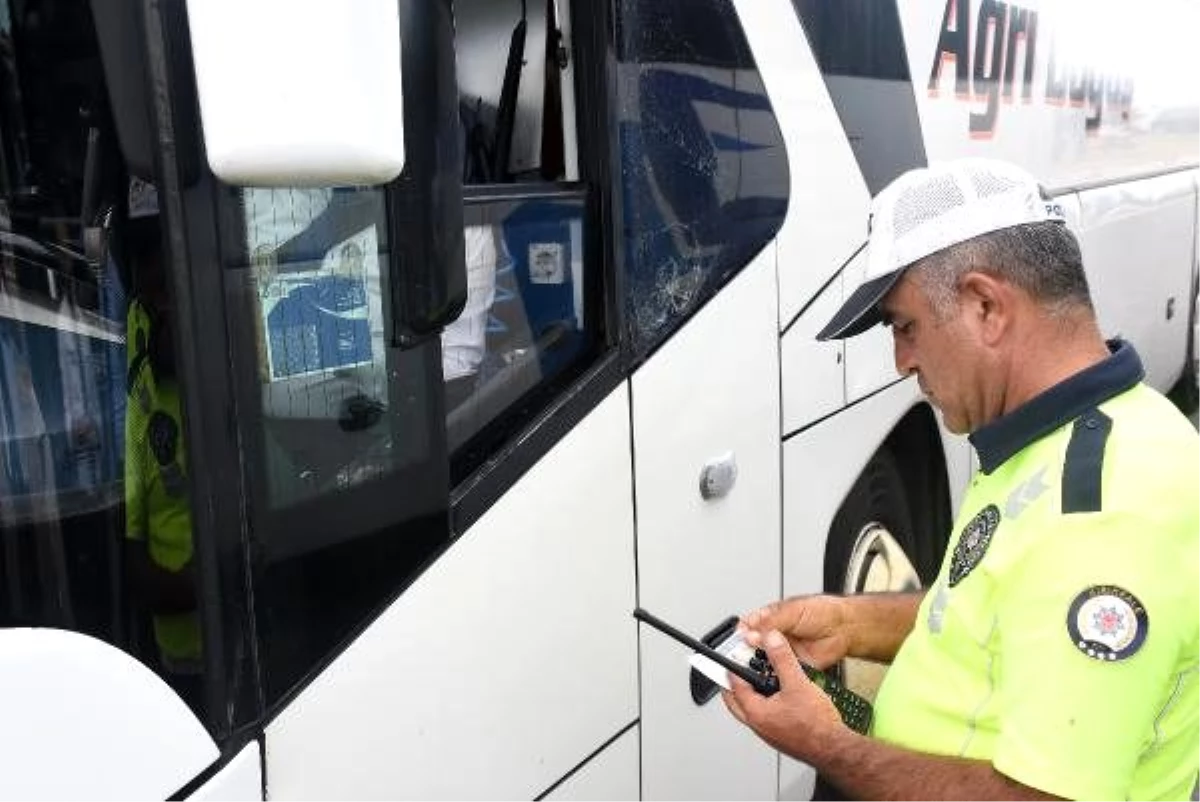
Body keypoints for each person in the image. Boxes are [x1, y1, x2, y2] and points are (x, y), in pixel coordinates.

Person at [723, 158, 1200, 801]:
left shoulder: (1102, 514)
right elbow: (1004, 611)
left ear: (985, 306)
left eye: (905, 326)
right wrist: (851, 623)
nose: (901, 362)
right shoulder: (1058, 435)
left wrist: (828, 745)